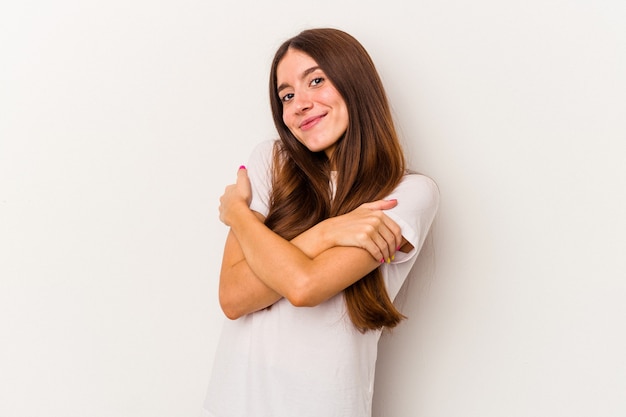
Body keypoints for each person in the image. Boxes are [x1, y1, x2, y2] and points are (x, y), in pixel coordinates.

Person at [202, 27, 439, 417]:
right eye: (287, 95)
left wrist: (238, 214)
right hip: (232, 403)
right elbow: (232, 297)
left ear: (355, 83)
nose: (299, 104)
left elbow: (304, 286)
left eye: (316, 81)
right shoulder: (272, 162)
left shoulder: (408, 194)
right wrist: (328, 231)